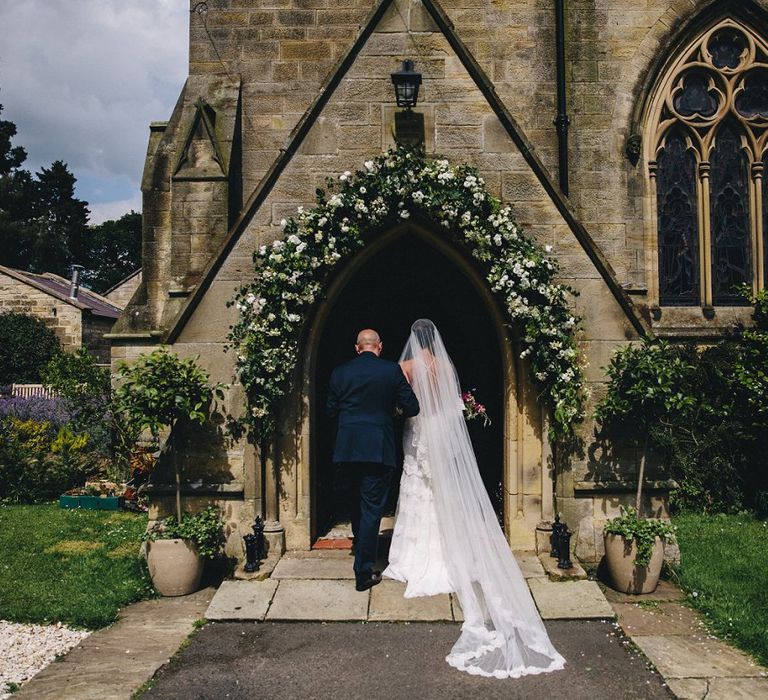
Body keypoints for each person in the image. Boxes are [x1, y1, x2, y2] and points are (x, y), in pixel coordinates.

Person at [383, 319, 565, 678]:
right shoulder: (445, 366)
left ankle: (412, 558)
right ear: (433, 340)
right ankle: (452, 553)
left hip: (418, 434)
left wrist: (399, 413)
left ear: (410, 340)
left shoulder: (404, 368)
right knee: (442, 493)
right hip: (441, 431)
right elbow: (451, 405)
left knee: (417, 488)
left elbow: (402, 405)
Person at [327, 328, 420, 592]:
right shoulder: (391, 371)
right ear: (379, 347)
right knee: (371, 508)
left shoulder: (340, 372)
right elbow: (412, 407)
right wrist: (392, 410)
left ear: (358, 348)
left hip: (347, 448)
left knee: (356, 502)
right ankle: (363, 571)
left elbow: (330, 409)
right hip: (378, 448)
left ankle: (361, 545)